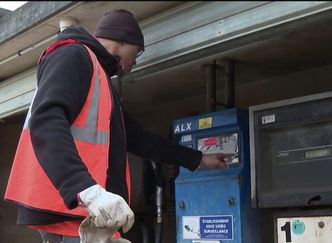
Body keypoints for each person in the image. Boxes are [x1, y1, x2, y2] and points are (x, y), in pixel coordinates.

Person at [4, 9, 228, 242]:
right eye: (137, 51)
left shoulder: (100, 83)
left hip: (87, 213)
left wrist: (197, 159)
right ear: (123, 40)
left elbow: (140, 139)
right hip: (72, 210)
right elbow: (46, 119)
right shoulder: (73, 55)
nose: (136, 61)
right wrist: (86, 190)